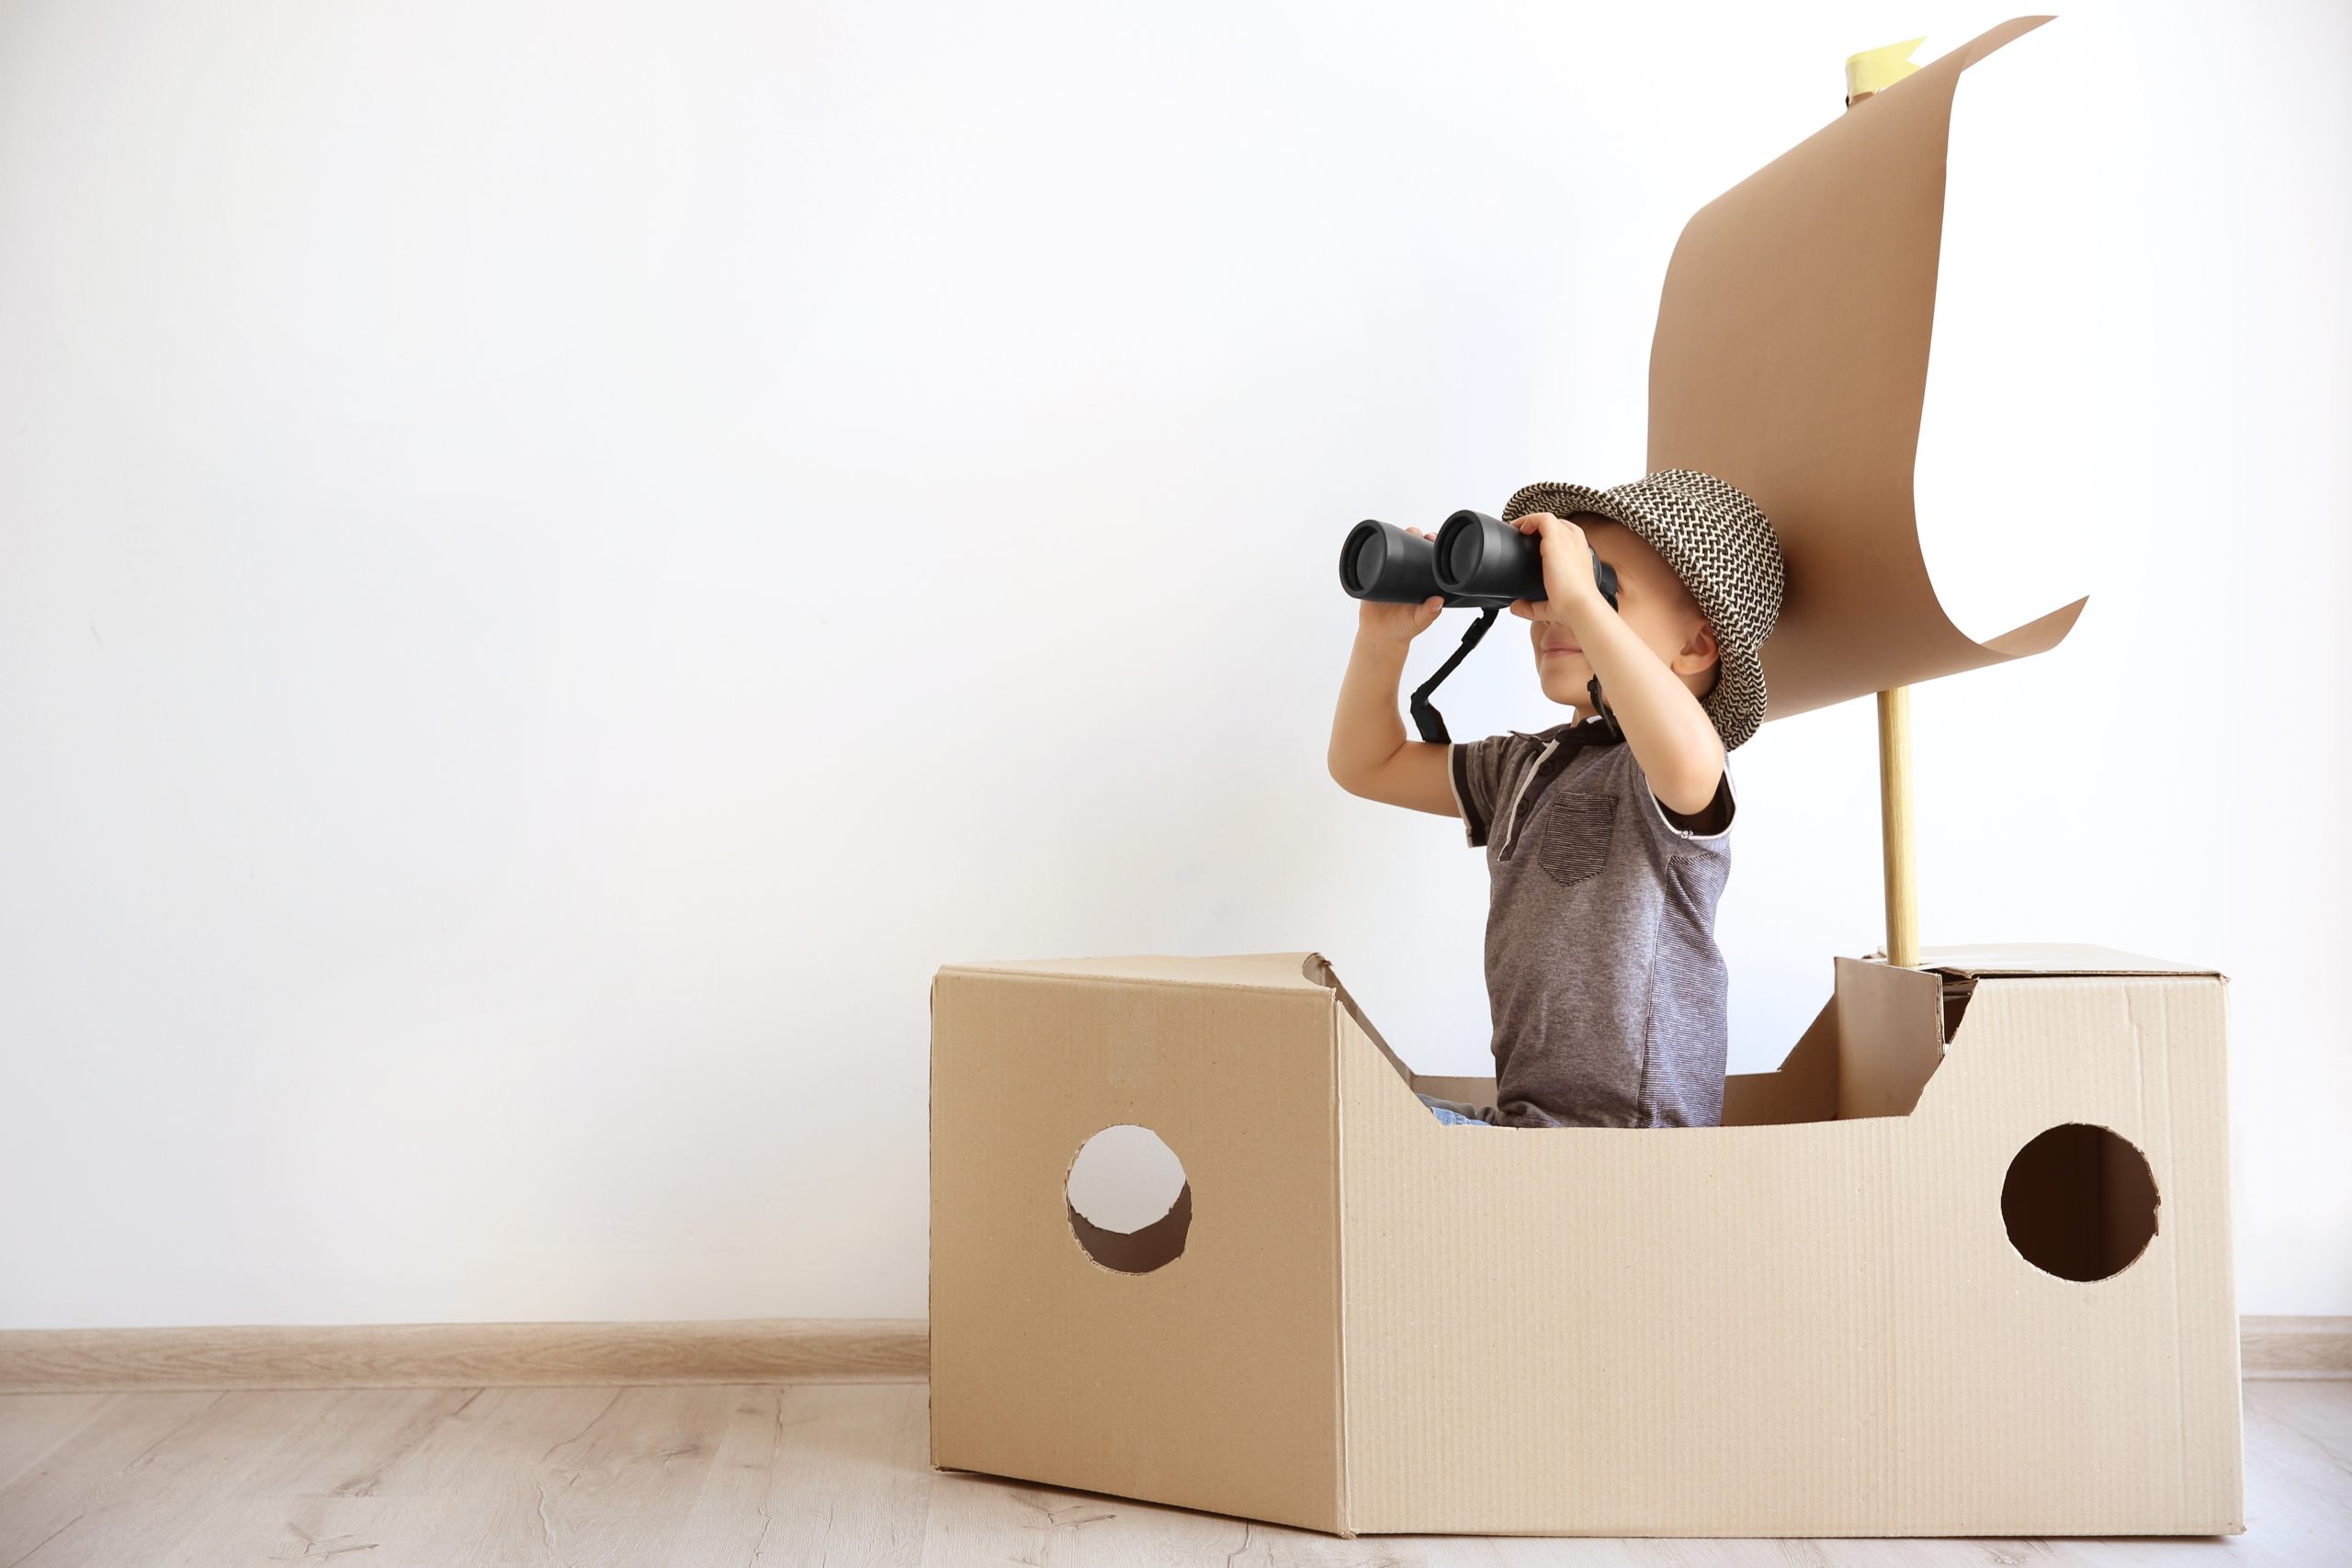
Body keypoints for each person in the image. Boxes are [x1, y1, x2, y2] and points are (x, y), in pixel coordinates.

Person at [1326, 469, 1786, 1128]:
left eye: (1603, 585)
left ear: (1695, 645)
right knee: (1324, 1111)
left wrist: (1582, 604)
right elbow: (1367, 764)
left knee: (1347, 1136)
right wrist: (1381, 642)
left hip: (1631, 1152)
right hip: (1533, 1132)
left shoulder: (1664, 773)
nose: (1555, 611)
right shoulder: (1524, 765)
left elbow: (1689, 757)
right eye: (1546, 586)